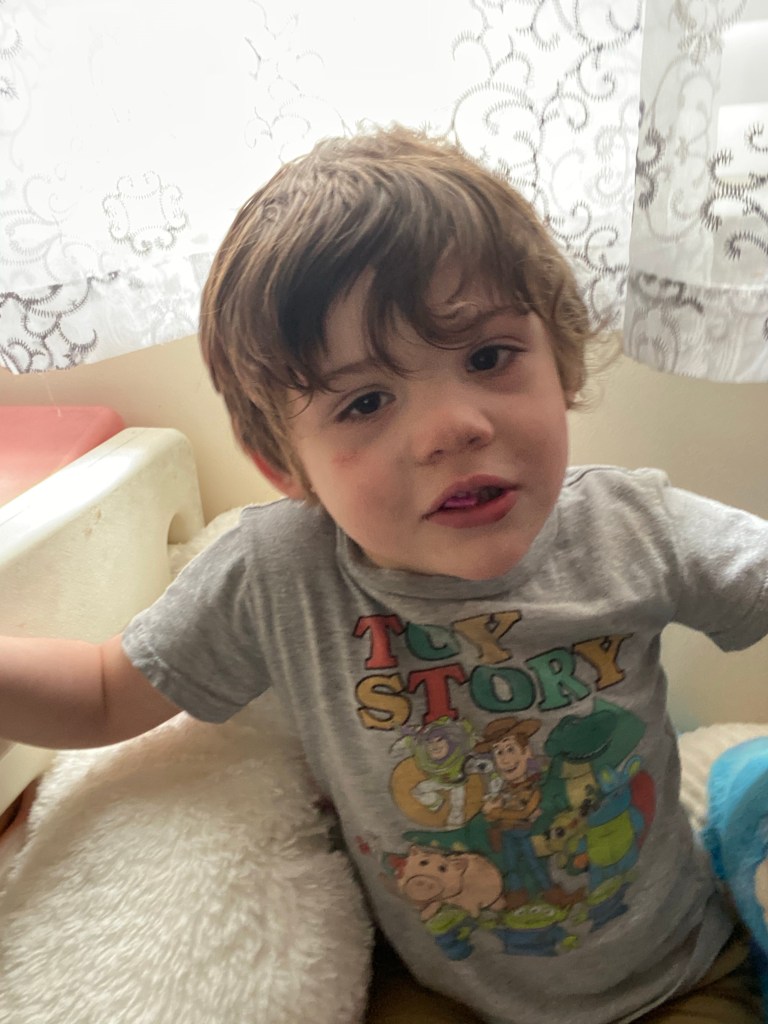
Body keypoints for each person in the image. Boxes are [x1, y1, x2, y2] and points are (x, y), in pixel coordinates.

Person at [1, 125, 765, 1024]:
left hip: (676, 980)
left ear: (559, 361)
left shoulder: (633, 526)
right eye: (366, 401)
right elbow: (103, 694)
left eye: (488, 357)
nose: (452, 427)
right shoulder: (275, 573)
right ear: (285, 466)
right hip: (441, 997)